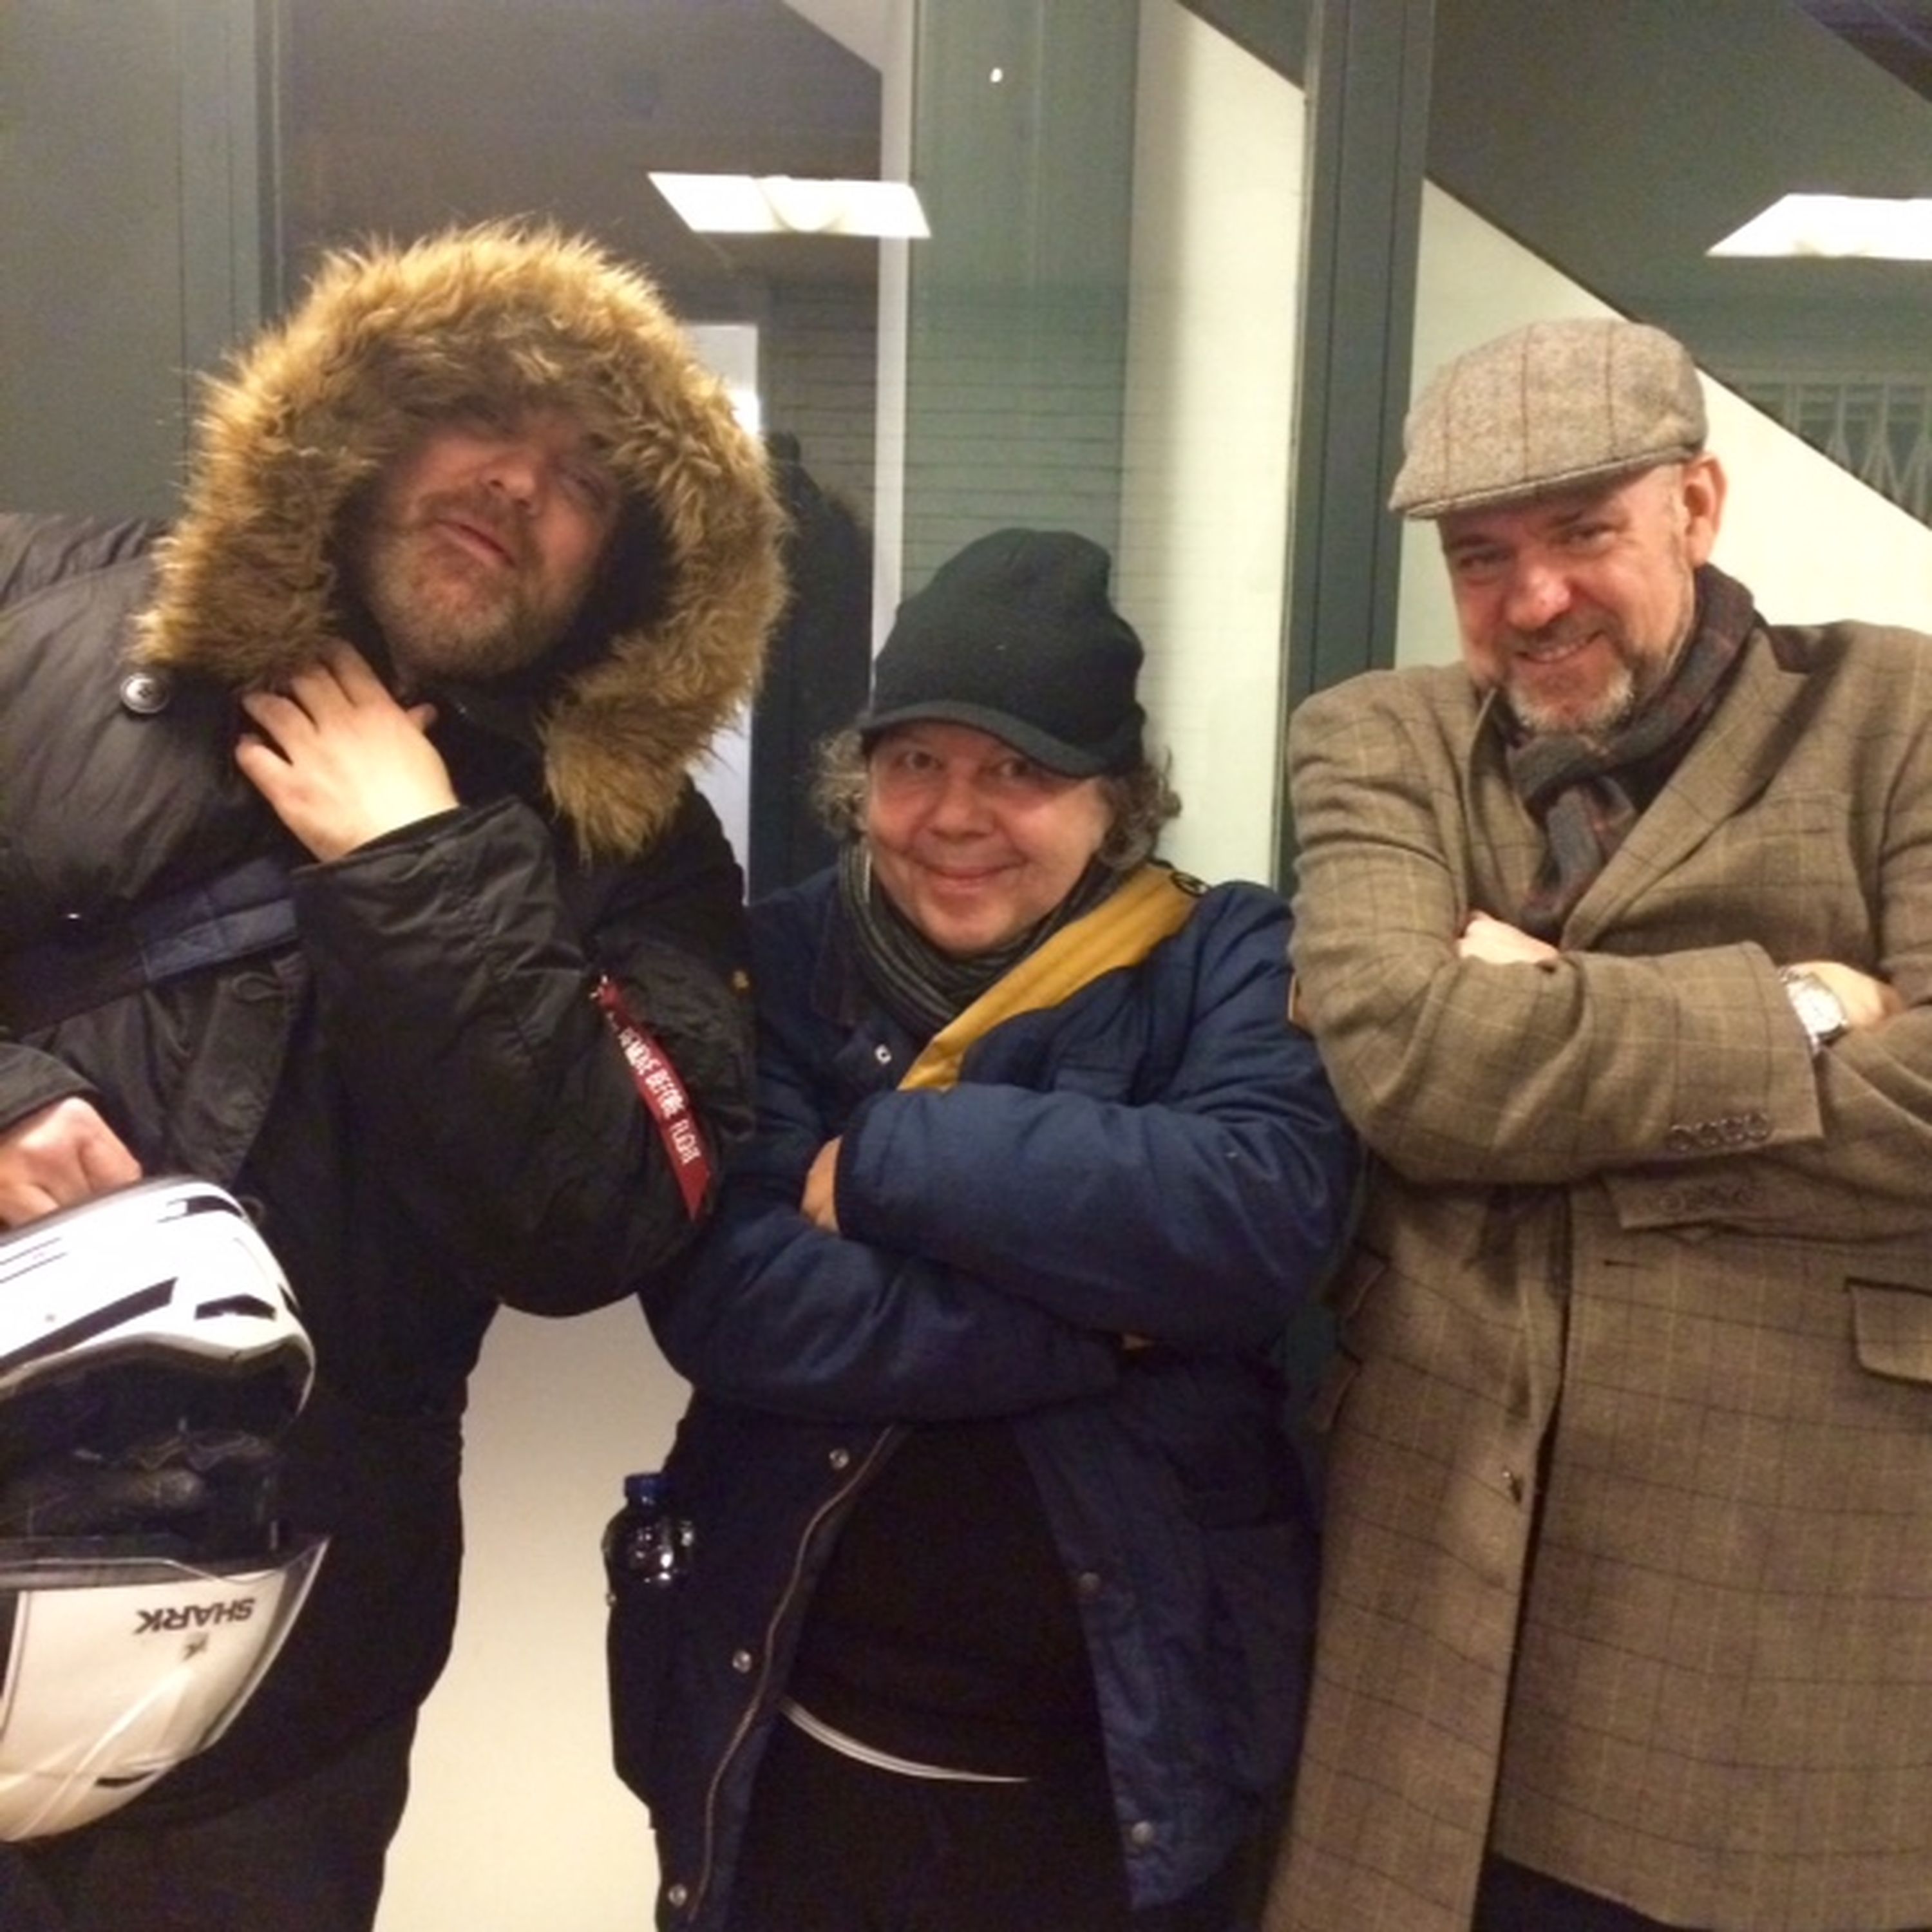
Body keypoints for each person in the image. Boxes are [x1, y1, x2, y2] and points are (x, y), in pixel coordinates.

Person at [0, 220, 784, 1930]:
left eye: (586, 479)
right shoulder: (42, 612)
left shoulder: (639, 856)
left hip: (269, 1669)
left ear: (628, 568)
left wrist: (417, 862)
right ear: (372, 421)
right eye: (486, 414)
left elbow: (598, 1218)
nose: (519, 481)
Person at [1264, 316, 1932, 1932]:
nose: (1534, 597)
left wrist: (1547, 1014)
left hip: (1792, 1561)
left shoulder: (1898, 714)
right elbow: (1411, 1064)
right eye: (1480, 557)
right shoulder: (1385, 741)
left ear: (1696, 507)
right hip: (1440, 1546)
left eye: (1583, 531)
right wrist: (1802, 1007)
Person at [609, 527, 1358, 1932]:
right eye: (917, 763)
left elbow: (1257, 1220)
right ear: (862, 783)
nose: (957, 815)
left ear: (1117, 801)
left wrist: (897, 1156)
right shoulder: (767, 964)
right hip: (790, 1750)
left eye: (1021, 771)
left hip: (1129, 1784)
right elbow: (737, 1300)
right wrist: (1107, 1325)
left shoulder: (1226, 957)